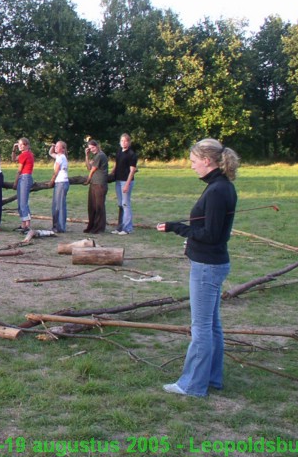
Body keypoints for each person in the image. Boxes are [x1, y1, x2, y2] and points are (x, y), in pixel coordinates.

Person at [156, 138, 239, 397]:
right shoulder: (220, 186)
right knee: (211, 325)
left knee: (201, 327)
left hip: (207, 265)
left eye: (193, 161)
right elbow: (210, 229)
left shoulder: (217, 190)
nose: (191, 166)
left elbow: (211, 234)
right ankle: (211, 377)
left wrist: (176, 228)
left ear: (207, 160)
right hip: (211, 263)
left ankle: (191, 385)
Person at [111, 133, 138, 235]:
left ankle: (127, 228)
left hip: (126, 181)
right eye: (122, 141)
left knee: (126, 204)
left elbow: (132, 171)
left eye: (125, 141)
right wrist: (111, 173)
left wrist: (127, 184)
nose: (123, 143)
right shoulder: (119, 152)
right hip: (118, 180)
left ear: (129, 142)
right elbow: (116, 164)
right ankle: (120, 226)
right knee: (120, 204)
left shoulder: (131, 154)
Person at [83, 139, 108, 234]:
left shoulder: (100, 155)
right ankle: (91, 226)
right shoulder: (95, 156)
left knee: (99, 206)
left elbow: (93, 170)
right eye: (90, 148)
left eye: (93, 147)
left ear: (97, 146)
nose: (92, 149)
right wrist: (86, 155)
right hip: (94, 183)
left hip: (100, 184)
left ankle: (99, 228)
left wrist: (88, 179)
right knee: (92, 206)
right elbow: (88, 167)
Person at [11, 138, 35, 231]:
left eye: (23, 144)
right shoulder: (24, 154)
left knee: (23, 202)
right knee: (20, 202)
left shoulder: (26, 155)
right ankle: (23, 224)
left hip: (25, 177)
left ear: (27, 145)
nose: (21, 146)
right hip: (24, 177)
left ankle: (27, 224)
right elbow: (13, 159)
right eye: (19, 144)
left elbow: (19, 170)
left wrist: (15, 182)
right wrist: (14, 149)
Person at [48, 141, 70, 233]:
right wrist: (52, 146)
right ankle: (56, 225)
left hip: (61, 182)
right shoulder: (59, 156)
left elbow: (56, 171)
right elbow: (50, 153)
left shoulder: (60, 158)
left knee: (59, 205)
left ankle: (60, 227)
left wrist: (51, 181)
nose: (56, 148)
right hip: (60, 182)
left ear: (63, 148)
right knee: (56, 205)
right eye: (55, 146)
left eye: (57, 146)